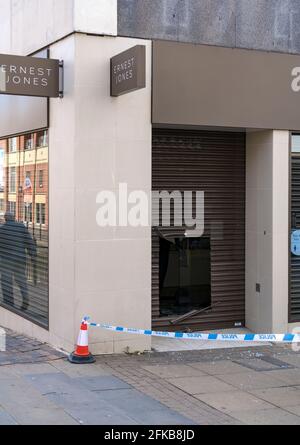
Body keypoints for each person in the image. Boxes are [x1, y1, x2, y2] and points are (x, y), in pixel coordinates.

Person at [0, 212, 37, 311]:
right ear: (14, 218)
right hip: (20, 259)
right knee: (21, 279)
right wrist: (33, 256)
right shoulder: (21, 227)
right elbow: (30, 242)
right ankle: (25, 298)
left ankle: (9, 305)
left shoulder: (2, 229)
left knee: (6, 281)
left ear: (5, 219)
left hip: (6, 261)